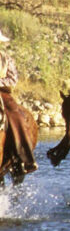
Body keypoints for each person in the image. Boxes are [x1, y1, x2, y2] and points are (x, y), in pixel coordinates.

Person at [0, 28, 38, 173]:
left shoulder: (6, 59)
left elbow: (13, 79)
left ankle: (25, 156)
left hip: (2, 93)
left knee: (17, 116)